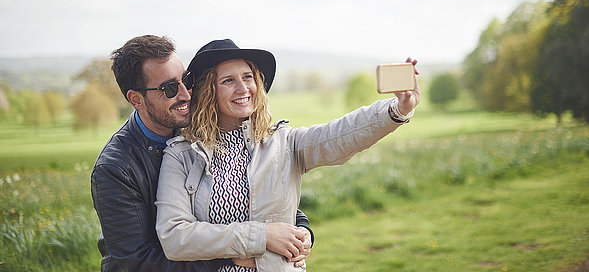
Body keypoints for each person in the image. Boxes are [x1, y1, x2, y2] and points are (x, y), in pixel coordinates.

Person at [155, 39, 420, 271]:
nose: (243, 88)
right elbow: (175, 237)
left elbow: (341, 135)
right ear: (207, 91)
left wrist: (397, 109)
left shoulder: (283, 142)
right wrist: (264, 236)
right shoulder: (181, 155)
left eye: (248, 77)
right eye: (228, 81)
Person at [91, 35, 313, 272]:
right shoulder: (114, 169)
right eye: (169, 88)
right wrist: (228, 258)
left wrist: (299, 230)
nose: (186, 94)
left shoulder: (197, 128)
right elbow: (140, 260)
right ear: (136, 99)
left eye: (186, 80)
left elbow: (247, 191)